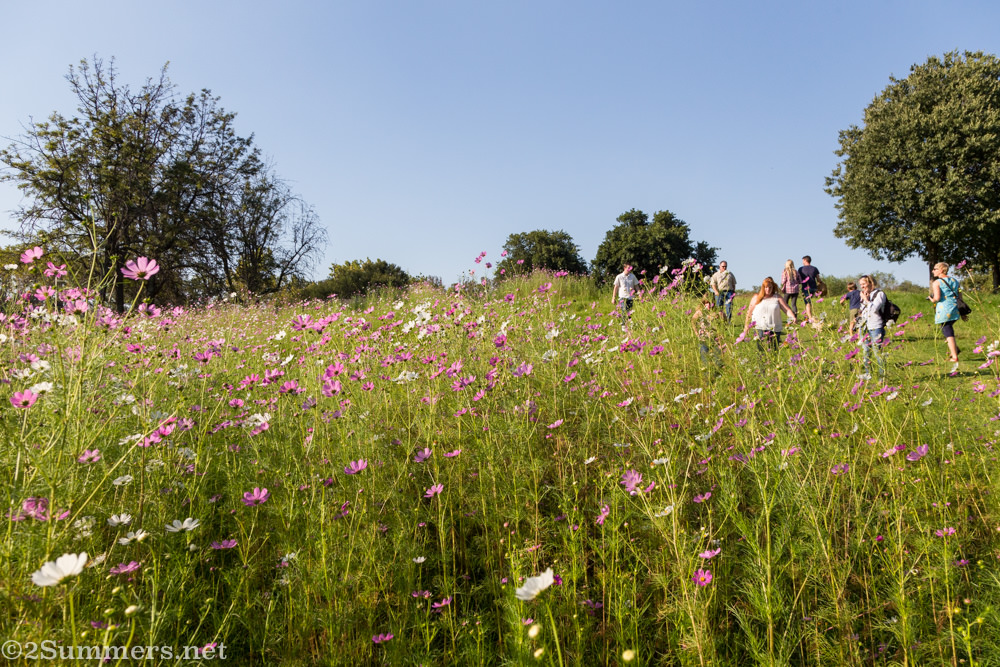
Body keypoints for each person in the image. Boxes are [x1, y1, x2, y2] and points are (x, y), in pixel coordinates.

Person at [742, 277, 796, 351]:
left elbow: (787, 310)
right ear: (763, 288)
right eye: (766, 287)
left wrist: (792, 317)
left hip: (774, 328)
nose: (768, 289)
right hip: (759, 327)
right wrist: (746, 326)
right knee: (761, 349)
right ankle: (761, 361)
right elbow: (749, 312)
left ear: (773, 287)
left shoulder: (777, 298)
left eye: (770, 287)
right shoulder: (756, 297)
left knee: (774, 350)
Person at [929, 262, 960, 363]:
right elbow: (960, 297)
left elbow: (937, 298)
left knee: (947, 330)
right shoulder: (955, 281)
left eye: (935, 269)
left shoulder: (937, 282)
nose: (933, 271)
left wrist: (931, 299)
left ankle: (954, 356)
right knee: (946, 328)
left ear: (941, 270)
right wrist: (962, 313)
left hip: (944, 309)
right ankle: (954, 348)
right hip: (955, 308)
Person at [857, 275, 886, 378]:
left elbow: (874, 309)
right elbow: (863, 311)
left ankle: (881, 377)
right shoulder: (865, 294)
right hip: (864, 326)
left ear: (870, 283)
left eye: (864, 284)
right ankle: (867, 374)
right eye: (861, 285)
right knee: (865, 351)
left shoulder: (880, 294)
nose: (862, 286)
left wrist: (867, 299)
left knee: (877, 352)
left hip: (876, 326)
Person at [692, 294, 725, 371]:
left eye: (710, 303)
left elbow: (724, 323)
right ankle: (708, 379)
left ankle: (719, 376)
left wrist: (721, 333)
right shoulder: (699, 312)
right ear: (703, 303)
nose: (708, 305)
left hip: (715, 339)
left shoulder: (717, 312)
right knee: (705, 361)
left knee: (719, 360)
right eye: (706, 303)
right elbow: (693, 321)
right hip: (703, 339)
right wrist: (696, 333)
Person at [797, 255, 821, 322]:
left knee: (807, 303)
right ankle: (808, 317)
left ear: (805, 260)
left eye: (803, 260)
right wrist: (821, 283)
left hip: (805, 288)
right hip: (814, 287)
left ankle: (810, 318)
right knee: (811, 302)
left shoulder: (800, 269)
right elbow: (818, 279)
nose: (802, 262)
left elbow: (798, 279)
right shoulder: (815, 268)